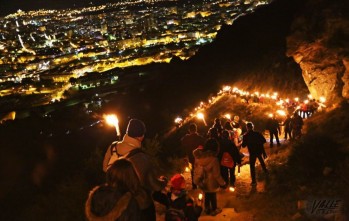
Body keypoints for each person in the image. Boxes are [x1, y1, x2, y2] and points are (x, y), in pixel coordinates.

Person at [102, 119, 167, 221]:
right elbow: (153, 184)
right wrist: (163, 181)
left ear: (127, 133)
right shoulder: (141, 156)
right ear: (141, 136)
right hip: (139, 205)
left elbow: (105, 169)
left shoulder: (113, 147)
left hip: (117, 204)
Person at [193, 138, 226, 216]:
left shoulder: (198, 157)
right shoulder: (214, 159)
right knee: (213, 196)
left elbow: (196, 169)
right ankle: (214, 209)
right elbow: (216, 175)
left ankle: (207, 208)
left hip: (203, 182)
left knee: (207, 195)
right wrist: (223, 183)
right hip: (212, 183)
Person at [181, 123, 206, 189]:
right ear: (196, 129)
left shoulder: (187, 138)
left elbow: (182, 143)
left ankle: (194, 185)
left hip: (190, 156)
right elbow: (204, 145)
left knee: (193, 170)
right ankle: (201, 183)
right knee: (200, 169)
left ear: (189, 130)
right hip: (198, 156)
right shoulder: (199, 137)